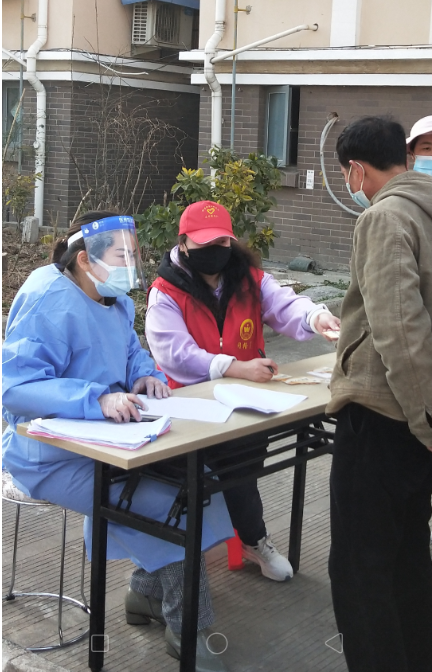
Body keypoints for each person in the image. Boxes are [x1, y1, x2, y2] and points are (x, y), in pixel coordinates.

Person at [2, 211, 234, 672]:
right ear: (85, 259)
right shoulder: (47, 298)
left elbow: (130, 352)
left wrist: (145, 374)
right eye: (121, 255)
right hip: (51, 454)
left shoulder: (114, 299)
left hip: (112, 438)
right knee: (167, 503)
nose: (131, 263)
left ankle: (145, 593)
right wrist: (96, 399)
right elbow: (17, 388)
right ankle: (188, 628)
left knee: (199, 484)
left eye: (133, 254)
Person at [141, 200, 340, 589]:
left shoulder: (248, 279)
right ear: (183, 244)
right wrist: (232, 366)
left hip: (248, 398)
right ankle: (181, 557)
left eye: (221, 242)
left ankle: (250, 539)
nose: (214, 250)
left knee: (243, 467)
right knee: (193, 479)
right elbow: (174, 353)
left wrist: (315, 317)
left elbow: (284, 303)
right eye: (203, 243)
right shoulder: (165, 291)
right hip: (187, 404)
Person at [327, 116, 432, 672]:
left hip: (385, 416)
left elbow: (399, 330)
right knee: (409, 558)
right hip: (414, 423)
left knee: (360, 570)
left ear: (356, 170)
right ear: (406, 157)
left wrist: (424, 419)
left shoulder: (385, 216)